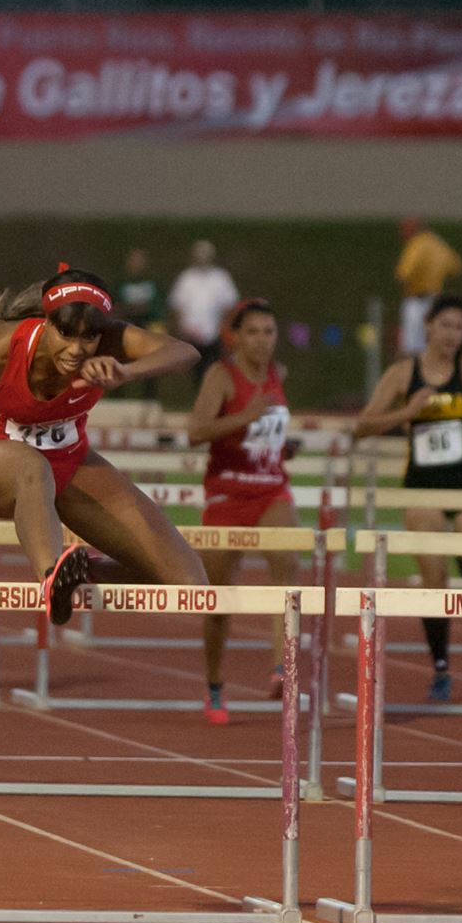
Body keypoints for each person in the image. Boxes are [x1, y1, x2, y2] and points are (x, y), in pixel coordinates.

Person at [0, 264, 208, 635]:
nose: (76, 350)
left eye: (88, 339)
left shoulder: (111, 341)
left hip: (70, 463)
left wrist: (127, 373)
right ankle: (49, 577)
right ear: (46, 321)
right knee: (31, 466)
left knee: (189, 584)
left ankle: (78, 572)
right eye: (65, 334)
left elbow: (185, 352)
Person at [356, 294, 462, 702]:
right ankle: (441, 668)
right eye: (445, 325)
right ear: (428, 326)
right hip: (422, 486)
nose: (451, 334)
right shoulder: (403, 373)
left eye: (459, 327)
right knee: (435, 580)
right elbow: (362, 427)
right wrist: (406, 412)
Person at [187, 298, 298, 725]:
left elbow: (269, 431)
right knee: (218, 599)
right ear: (236, 337)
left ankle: (280, 667)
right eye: (253, 332)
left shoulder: (277, 374)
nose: (262, 341)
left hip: (271, 489)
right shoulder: (221, 375)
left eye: (269, 332)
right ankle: (215, 685)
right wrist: (245, 417)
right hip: (227, 495)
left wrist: (281, 444)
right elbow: (196, 431)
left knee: (287, 569)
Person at [168, 239, 239, 383]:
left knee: (217, 369)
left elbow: (229, 305)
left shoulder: (221, 278)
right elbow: (177, 305)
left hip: (216, 334)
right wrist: (183, 329)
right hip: (192, 335)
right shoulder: (186, 278)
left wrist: (224, 328)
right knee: (197, 373)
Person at [395, 218, 462, 357]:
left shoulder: (417, 244)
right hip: (437, 302)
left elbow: (403, 274)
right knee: (435, 347)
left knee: (412, 349)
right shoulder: (438, 243)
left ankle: (412, 378)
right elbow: (456, 267)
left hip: (416, 301)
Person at [114, 247, 163, 399]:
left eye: (140, 261)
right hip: (127, 329)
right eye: (134, 260)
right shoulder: (120, 283)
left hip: (147, 330)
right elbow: (117, 307)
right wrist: (136, 309)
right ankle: (117, 399)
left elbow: (155, 308)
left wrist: (133, 309)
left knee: (150, 368)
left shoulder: (153, 283)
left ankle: (150, 401)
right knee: (119, 364)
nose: (136, 264)